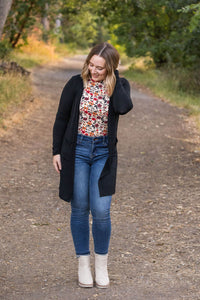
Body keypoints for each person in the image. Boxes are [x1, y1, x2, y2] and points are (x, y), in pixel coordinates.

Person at [52, 42, 133, 288]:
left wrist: (114, 76)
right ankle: (83, 263)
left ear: (110, 68)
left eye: (100, 68)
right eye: (91, 65)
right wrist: (56, 151)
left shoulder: (118, 86)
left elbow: (124, 107)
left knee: (101, 210)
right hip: (76, 151)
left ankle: (101, 265)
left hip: (102, 153)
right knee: (79, 207)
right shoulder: (76, 84)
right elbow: (62, 118)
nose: (94, 71)